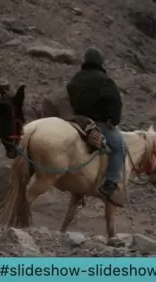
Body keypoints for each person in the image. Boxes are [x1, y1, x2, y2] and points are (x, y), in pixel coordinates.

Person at [65, 48, 125, 204]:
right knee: (120, 147)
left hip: (77, 120)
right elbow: (115, 102)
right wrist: (113, 119)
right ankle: (110, 183)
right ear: (100, 62)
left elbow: (70, 92)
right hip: (97, 123)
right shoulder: (104, 80)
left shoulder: (76, 78)